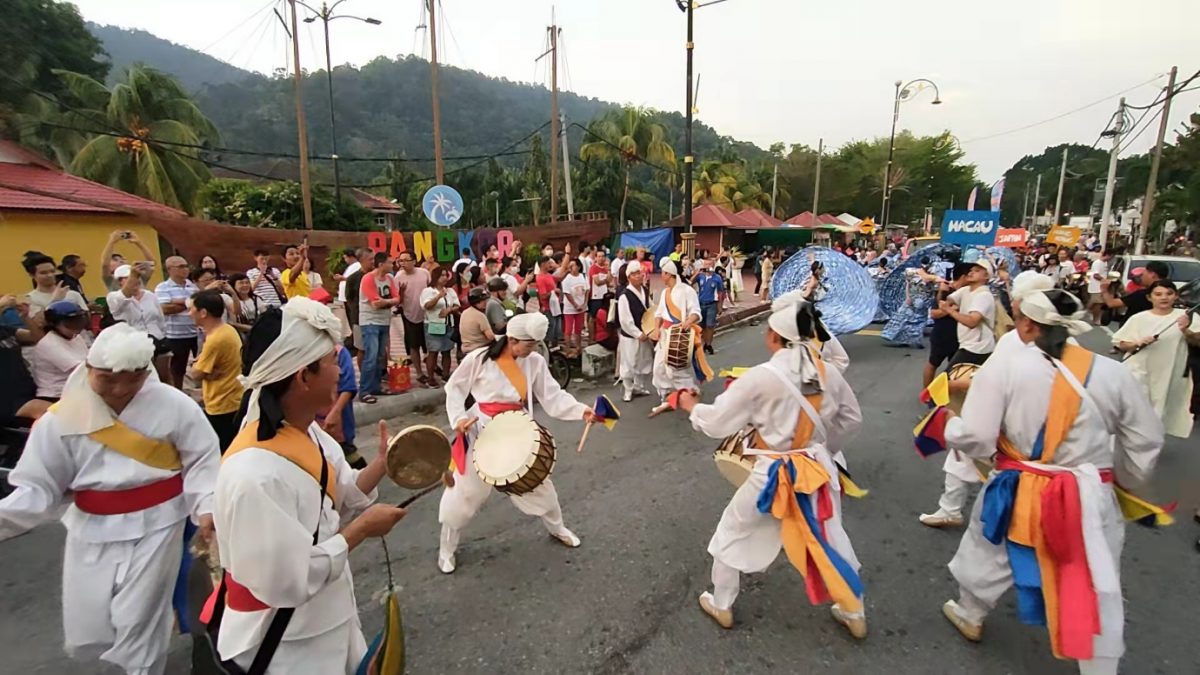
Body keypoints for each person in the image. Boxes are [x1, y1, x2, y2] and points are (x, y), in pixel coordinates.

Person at [939, 289, 1164, 675]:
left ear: (1026, 323)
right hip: (1088, 491)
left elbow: (977, 436)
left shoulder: (1004, 368)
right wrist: (1119, 482)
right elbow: (1145, 441)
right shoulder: (1114, 373)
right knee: (1092, 573)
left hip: (1021, 485)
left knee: (989, 549)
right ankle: (1098, 663)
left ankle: (970, 613)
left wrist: (950, 426)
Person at [1, 323, 220, 675]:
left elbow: (202, 460)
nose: (120, 390)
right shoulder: (59, 421)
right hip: (90, 530)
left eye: (132, 379)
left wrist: (207, 506)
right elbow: (37, 487)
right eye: (107, 379)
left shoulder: (176, 406)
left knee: (140, 618)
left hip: (158, 525)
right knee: (94, 619)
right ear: (88, 370)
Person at [210, 297, 404, 673]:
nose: (342, 372)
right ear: (303, 376)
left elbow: (340, 495)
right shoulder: (253, 474)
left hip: (328, 614)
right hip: (285, 642)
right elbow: (285, 579)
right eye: (333, 362)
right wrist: (359, 531)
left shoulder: (307, 432)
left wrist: (383, 463)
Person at [678, 297, 865, 636]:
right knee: (831, 537)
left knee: (732, 531)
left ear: (773, 336)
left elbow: (717, 422)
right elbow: (852, 420)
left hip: (771, 473)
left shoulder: (761, 377)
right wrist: (822, 452)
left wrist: (691, 406)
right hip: (815, 468)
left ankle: (721, 604)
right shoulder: (829, 372)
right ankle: (854, 611)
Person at [437, 312, 595, 574]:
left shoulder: (533, 361)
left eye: (535, 344)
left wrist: (581, 411)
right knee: (463, 494)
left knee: (539, 483)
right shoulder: (479, 358)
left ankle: (557, 528)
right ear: (512, 339)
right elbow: (454, 388)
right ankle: (446, 549)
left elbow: (552, 395)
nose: (533, 349)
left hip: (516, 431)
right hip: (481, 430)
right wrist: (459, 418)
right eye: (529, 344)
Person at [919, 271, 1055, 529]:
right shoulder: (1078, 357)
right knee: (962, 456)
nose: (1011, 304)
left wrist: (956, 397)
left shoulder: (1019, 345)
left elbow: (997, 383)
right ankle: (951, 508)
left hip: (1018, 431)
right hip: (1036, 432)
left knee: (972, 450)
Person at [1112, 280, 1199, 438]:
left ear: (1176, 296)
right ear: (1149, 297)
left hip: (1170, 371)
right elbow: (1121, 343)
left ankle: (1149, 442)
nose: (1163, 298)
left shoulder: (1186, 316)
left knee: (1159, 410)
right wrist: (1137, 343)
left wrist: (1185, 329)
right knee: (1136, 408)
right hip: (1139, 369)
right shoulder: (1139, 318)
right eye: (1158, 294)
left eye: (1169, 294)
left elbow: (1197, 341)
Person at [649, 258, 709, 416]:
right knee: (659, 369)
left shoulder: (686, 291)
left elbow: (696, 312)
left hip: (679, 334)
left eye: (663, 273)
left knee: (676, 371)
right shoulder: (665, 293)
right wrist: (656, 329)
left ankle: (691, 392)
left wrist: (688, 322)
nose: (661, 276)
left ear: (669, 274)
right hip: (665, 335)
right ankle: (666, 395)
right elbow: (659, 314)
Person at [186, 289, 244, 452]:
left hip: (222, 402)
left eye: (192, 309)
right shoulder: (227, 329)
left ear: (203, 313)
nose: (189, 313)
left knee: (224, 450)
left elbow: (196, 374)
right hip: (232, 397)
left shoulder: (216, 339)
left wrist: (196, 366)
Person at [358, 253, 400, 402]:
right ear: (381, 264)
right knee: (371, 355)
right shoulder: (368, 278)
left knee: (380, 356)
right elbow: (375, 302)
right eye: (390, 263)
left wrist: (386, 301)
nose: (392, 265)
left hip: (384, 320)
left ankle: (375, 386)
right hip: (370, 321)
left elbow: (397, 297)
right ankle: (364, 390)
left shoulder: (390, 279)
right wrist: (389, 301)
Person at [940, 258, 996, 367]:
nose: (971, 273)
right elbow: (945, 301)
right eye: (971, 270)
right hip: (967, 344)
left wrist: (949, 310)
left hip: (978, 347)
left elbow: (972, 322)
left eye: (977, 271)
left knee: (948, 379)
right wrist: (943, 290)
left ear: (986, 276)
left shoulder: (984, 295)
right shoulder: (965, 290)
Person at [0, 295, 48, 420]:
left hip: (28, 390)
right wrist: (2, 305)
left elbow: (36, 337)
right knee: (56, 415)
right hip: (7, 399)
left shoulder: (6, 330)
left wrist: (26, 317)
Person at [31, 300, 90, 401]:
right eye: (70, 322)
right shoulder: (49, 344)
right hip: (56, 395)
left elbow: (90, 359)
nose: (76, 325)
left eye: (79, 320)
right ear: (54, 324)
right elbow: (81, 369)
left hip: (76, 390)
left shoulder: (76, 337)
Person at [154, 256, 199, 389]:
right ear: (169, 269)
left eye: (186, 266)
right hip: (175, 335)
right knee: (177, 369)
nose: (185, 269)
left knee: (200, 366)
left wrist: (177, 301)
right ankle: (178, 393)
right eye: (181, 266)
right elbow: (165, 309)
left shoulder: (193, 286)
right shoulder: (162, 287)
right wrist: (189, 302)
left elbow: (200, 304)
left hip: (196, 333)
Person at [616, 262, 654, 402]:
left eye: (639, 273)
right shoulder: (624, 296)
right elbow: (625, 320)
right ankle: (628, 389)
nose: (638, 276)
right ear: (629, 277)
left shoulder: (644, 290)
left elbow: (650, 309)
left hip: (644, 332)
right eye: (635, 274)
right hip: (631, 336)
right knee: (629, 363)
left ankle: (639, 386)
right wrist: (637, 333)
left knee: (643, 361)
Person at [882, 260, 939, 349]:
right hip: (914, 299)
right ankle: (900, 338)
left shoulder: (931, 274)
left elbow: (933, 288)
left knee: (918, 321)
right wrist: (908, 297)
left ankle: (915, 340)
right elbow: (908, 285)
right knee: (904, 318)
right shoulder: (912, 272)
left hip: (923, 301)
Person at [394, 251, 432, 385]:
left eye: (406, 260)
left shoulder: (424, 273)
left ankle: (431, 369)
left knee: (429, 344)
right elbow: (397, 299)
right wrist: (401, 294)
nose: (402, 263)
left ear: (414, 261)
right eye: (400, 261)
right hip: (409, 314)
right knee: (413, 345)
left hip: (427, 314)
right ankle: (419, 372)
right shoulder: (398, 277)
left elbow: (430, 289)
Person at [421, 267, 460, 387]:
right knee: (433, 351)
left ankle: (446, 375)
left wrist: (449, 310)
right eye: (442, 275)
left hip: (448, 324)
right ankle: (431, 377)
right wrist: (438, 296)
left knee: (447, 351)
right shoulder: (428, 291)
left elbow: (456, 305)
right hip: (434, 324)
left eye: (446, 275)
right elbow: (426, 306)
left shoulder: (450, 291)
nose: (444, 278)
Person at [1100, 260, 1166, 326]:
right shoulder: (1167, 291)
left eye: (1143, 274)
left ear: (1152, 275)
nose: (1141, 277)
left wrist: (1104, 289)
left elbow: (1111, 303)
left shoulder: (1143, 294)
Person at [23, 250, 88, 318]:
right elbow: (39, 323)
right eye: (43, 273)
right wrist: (55, 301)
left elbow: (86, 318)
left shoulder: (72, 294)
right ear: (32, 275)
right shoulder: (30, 299)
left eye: (52, 271)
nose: (50, 275)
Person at [343, 248, 371, 358]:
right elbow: (349, 297)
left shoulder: (376, 275)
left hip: (375, 318)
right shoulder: (353, 278)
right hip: (358, 317)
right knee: (361, 348)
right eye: (371, 259)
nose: (374, 262)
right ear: (361, 260)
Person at [693, 263, 723, 355]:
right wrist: (696, 273)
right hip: (701, 303)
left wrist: (719, 306)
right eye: (705, 265)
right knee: (701, 326)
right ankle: (702, 344)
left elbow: (720, 292)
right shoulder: (701, 276)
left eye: (709, 265)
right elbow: (690, 282)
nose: (707, 267)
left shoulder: (717, 278)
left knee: (710, 325)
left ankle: (708, 344)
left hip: (712, 304)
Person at [561, 258, 588, 356]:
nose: (571, 268)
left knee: (578, 329)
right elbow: (567, 293)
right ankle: (567, 349)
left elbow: (587, 290)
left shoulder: (582, 276)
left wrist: (584, 303)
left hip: (581, 307)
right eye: (570, 266)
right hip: (570, 308)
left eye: (573, 265)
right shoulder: (567, 279)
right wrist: (575, 305)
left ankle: (578, 347)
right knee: (568, 329)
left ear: (579, 267)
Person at [460, 287, 496, 353]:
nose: (486, 302)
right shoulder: (480, 315)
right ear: (477, 302)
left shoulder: (465, 312)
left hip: (466, 348)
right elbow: (490, 336)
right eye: (484, 301)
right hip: (479, 348)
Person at [1086, 249, 1112, 325]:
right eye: (1111, 256)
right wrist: (1104, 280)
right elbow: (1095, 275)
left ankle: (1092, 316)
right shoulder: (1097, 263)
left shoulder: (1105, 263)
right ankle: (1096, 319)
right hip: (1096, 286)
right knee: (1097, 303)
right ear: (1107, 255)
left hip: (1102, 286)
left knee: (1096, 303)